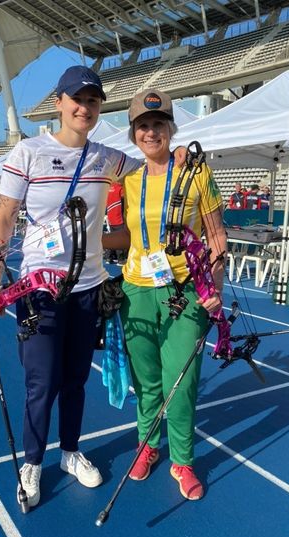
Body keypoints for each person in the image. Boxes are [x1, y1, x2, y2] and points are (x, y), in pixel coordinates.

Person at [0, 66, 145, 508]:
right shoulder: (28, 152)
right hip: (40, 291)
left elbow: (152, 169)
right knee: (42, 382)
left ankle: (71, 451)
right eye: (77, 99)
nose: (84, 108)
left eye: (93, 101)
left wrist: (179, 153)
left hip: (89, 290)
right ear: (59, 102)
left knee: (75, 380)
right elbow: (4, 216)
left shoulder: (107, 158)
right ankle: (32, 463)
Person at [106, 89, 225, 501]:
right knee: (147, 381)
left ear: (170, 129)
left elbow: (217, 236)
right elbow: (127, 235)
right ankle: (148, 446)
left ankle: (184, 460)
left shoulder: (196, 174)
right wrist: (89, 241)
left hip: (185, 292)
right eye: (143, 125)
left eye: (158, 124)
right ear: (134, 133)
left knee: (183, 380)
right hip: (135, 293)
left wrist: (216, 292)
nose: (151, 132)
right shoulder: (128, 180)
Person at [104, 181, 126, 264]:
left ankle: (108, 257)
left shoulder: (109, 187)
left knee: (111, 236)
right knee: (120, 238)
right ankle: (121, 259)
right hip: (118, 217)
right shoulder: (120, 188)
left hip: (110, 217)